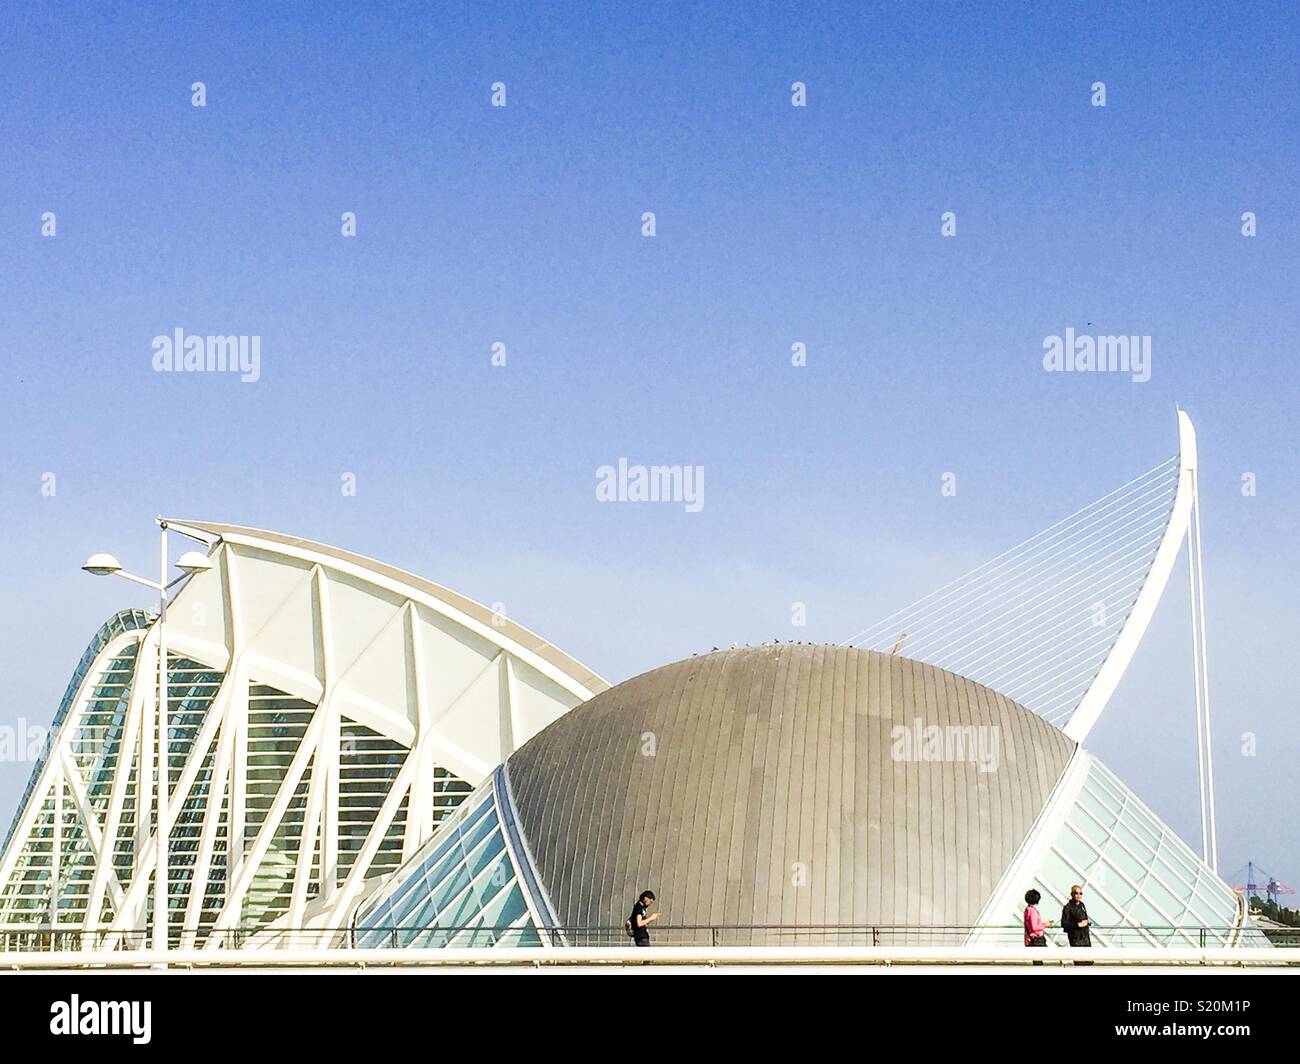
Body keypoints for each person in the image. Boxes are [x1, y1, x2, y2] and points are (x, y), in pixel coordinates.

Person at [1061, 884, 1092, 963]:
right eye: (1076, 893)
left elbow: (1084, 918)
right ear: (1072, 894)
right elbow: (1064, 923)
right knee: (1079, 961)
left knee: (1089, 961)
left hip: (1085, 937)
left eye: (1080, 893)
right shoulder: (1068, 907)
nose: (1078, 895)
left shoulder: (1082, 905)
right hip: (1076, 938)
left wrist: (1087, 923)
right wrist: (1078, 924)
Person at [1023, 889, 1051, 961]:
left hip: (1031, 939)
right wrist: (1045, 925)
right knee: (1042, 959)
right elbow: (1034, 927)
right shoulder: (1032, 911)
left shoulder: (1027, 910)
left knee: (1037, 960)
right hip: (1037, 940)